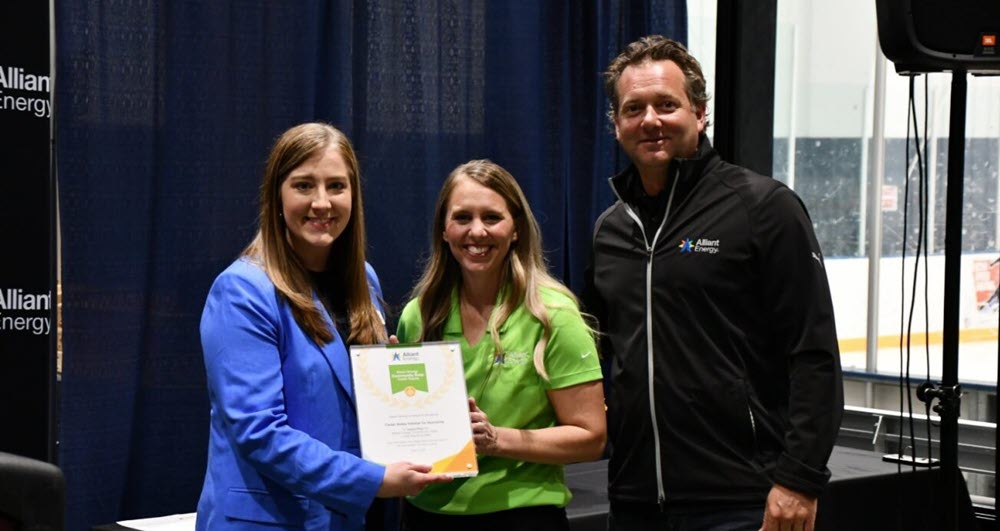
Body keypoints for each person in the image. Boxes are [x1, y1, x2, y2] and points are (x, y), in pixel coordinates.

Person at [583, 36, 844, 531]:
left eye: (667, 104)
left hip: (741, 499)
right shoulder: (610, 229)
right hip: (634, 498)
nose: (651, 120)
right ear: (616, 125)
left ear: (700, 113)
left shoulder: (765, 208)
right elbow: (586, 349)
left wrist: (800, 479)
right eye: (633, 108)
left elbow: (814, 354)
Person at [196, 123, 450, 531]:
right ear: (276, 196)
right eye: (303, 185)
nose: (321, 202)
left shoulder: (363, 280)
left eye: (336, 186)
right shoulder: (242, 291)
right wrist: (374, 480)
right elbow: (260, 432)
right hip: (269, 522)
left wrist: (432, 413)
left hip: (344, 519)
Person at [395, 160, 606, 531]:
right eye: (462, 218)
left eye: (492, 217)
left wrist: (497, 440)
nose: (477, 231)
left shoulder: (553, 316)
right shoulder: (419, 315)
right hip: (427, 515)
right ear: (444, 230)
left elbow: (590, 438)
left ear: (516, 230)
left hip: (522, 515)